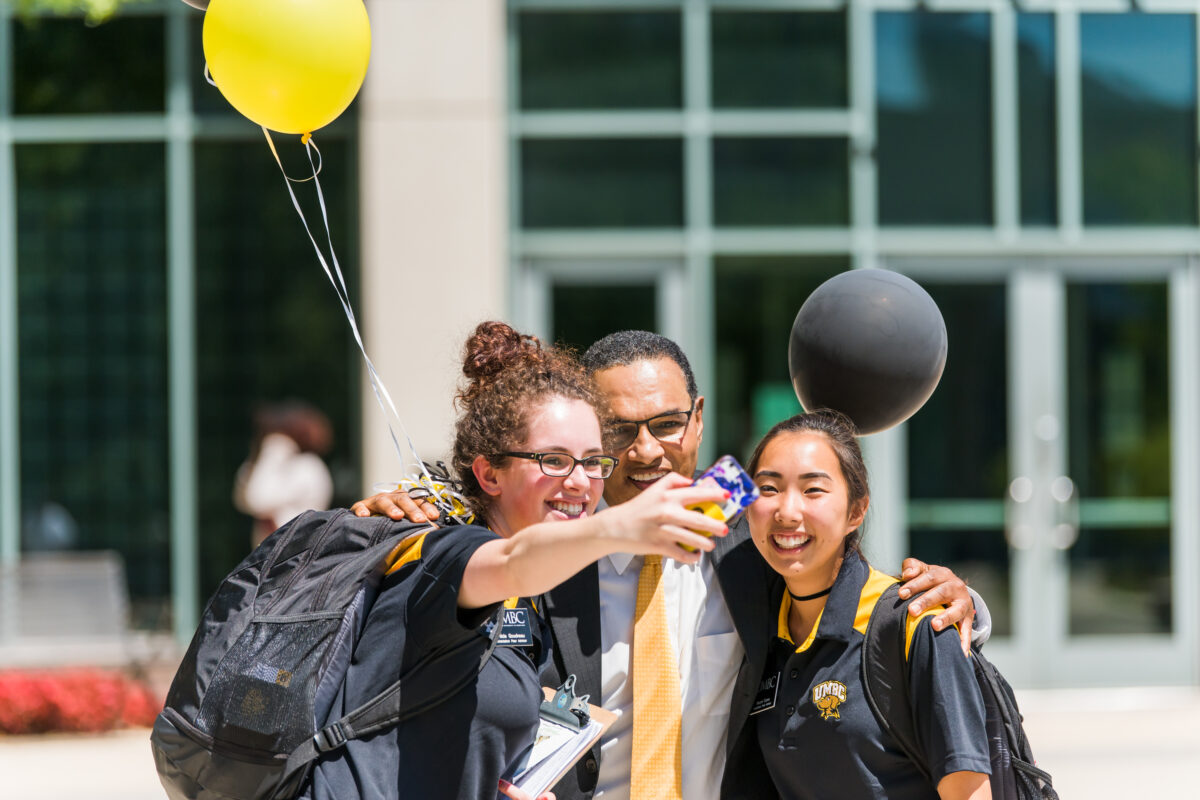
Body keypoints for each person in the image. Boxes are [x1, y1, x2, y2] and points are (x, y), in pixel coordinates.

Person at [354, 330, 984, 800]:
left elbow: (850, 594)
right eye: (621, 431)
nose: (648, 449)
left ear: (698, 421)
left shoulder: (754, 540)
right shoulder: (547, 546)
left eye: (667, 423)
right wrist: (389, 529)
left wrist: (962, 606)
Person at [302, 322, 728, 800]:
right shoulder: (449, 549)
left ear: (698, 418)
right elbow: (511, 561)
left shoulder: (750, 552)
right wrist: (625, 526)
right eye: (553, 459)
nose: (581, 481)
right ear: (488, 473)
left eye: (591, 460)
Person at [726, 410, 990, 799]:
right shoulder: (759, 623)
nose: (787, 511)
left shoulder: (914, 622)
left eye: (813, 489)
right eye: (769, 488)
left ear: (856, 511)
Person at [233, 400, 335, 548]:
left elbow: (257, 499)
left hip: (295, 556)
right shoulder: (285, 464)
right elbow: (242, 500)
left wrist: (275, 447)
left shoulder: (309, 467)